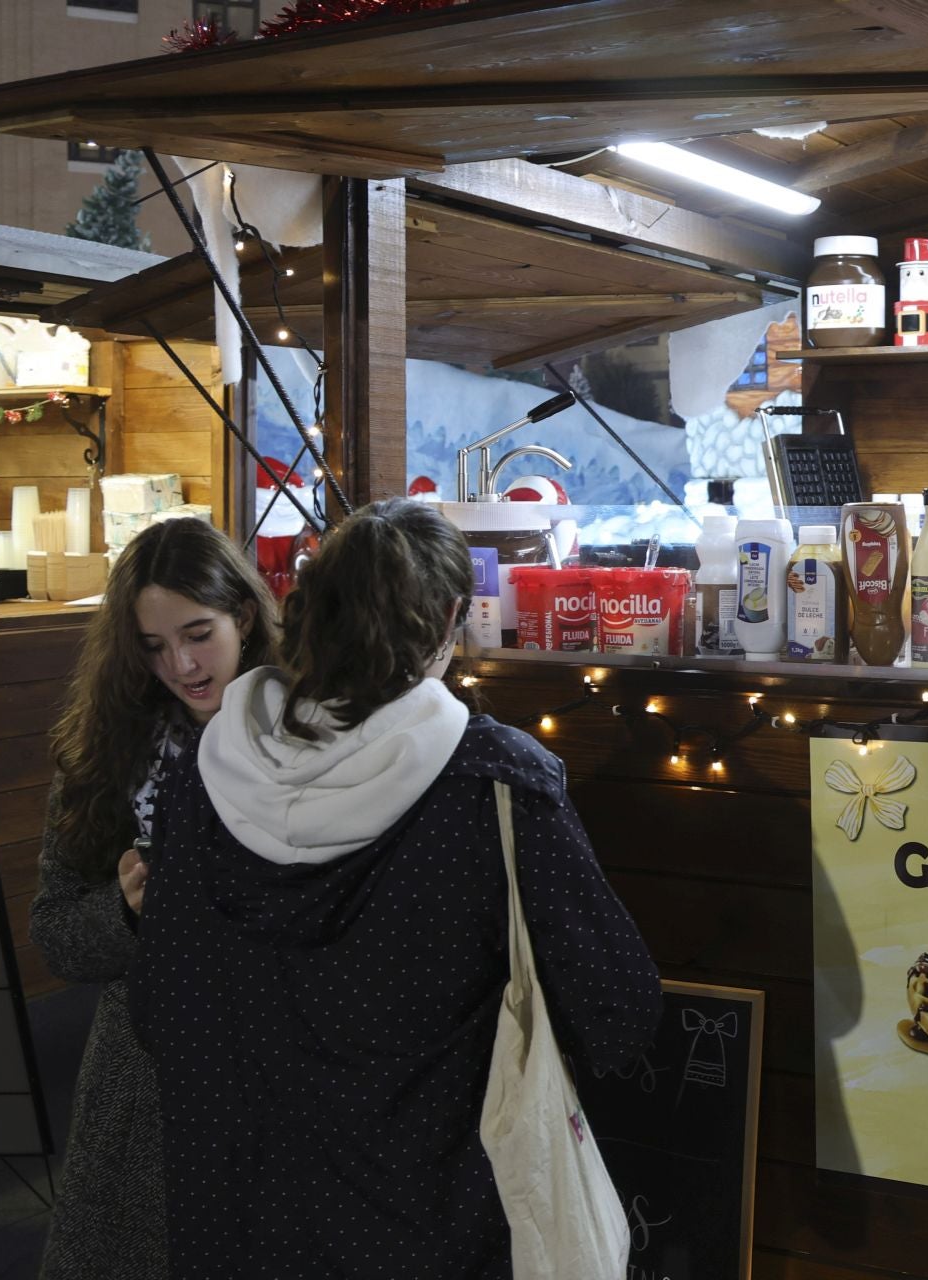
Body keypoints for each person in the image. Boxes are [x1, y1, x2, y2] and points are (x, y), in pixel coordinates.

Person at [130, 497, 662, 1278]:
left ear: (303, 610)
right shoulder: (494, 785)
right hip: (433, 1222)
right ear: (449, 618)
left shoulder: (203, 780)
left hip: (244, 1221)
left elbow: (158, 1012)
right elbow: (619, 1015)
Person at [31, 517, 278, 1280]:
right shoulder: (104, 751)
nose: (182, 665)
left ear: (243, 616)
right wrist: (125, 908)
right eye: (153, 646)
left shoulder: (311, 734)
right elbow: (55, 932)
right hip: (142, 1083)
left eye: (199, 634)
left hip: (279, 1070)